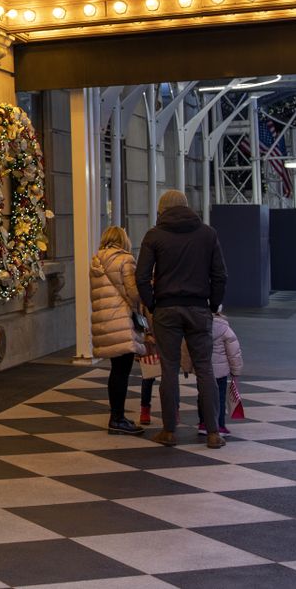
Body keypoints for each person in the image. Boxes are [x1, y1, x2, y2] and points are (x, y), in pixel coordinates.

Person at [135, 190, 228, 448]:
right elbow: (220, 275)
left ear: (161, 209)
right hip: (198, 309)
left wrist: (153, 305)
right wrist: (212, 304)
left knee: (168, 370)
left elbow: (141, 276)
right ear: (187, 207)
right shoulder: (208, 234)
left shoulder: (154, 235)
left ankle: (169, 432)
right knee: (205, 369)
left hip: (166, 308)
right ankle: (212, 433)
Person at [89, 226, 147, 435]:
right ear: (124, 240)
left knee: (116, 370)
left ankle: (116, 415)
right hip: (121, 320)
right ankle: (117, 418)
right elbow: (132, 292)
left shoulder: (96, 261)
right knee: (122, 371)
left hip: (104, 320)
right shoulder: (125, 260)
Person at [197, 308, 243, 437]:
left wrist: (187, 366)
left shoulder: (197, 325)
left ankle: (203, 424)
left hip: (202, 369)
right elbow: (234, 352)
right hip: (220, 372)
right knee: (220, 398)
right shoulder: (224, 328)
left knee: (203, 396)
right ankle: (220, 425)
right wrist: (236, 371)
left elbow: (188, 347)